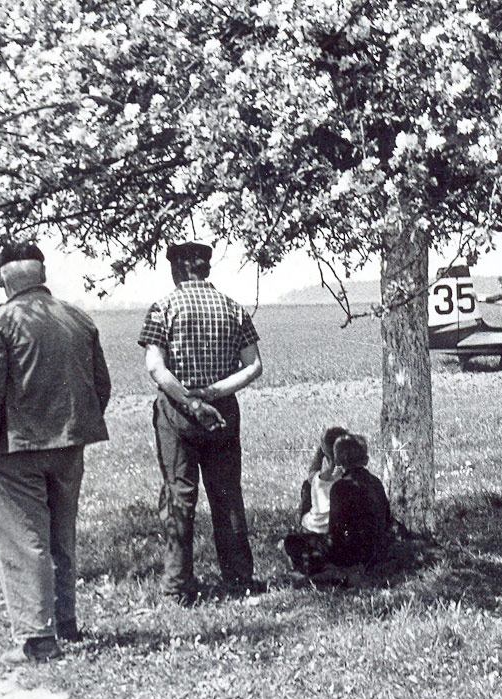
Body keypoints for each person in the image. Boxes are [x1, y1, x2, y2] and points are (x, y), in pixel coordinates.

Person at [0, 243, 111, 664]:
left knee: (23, 541)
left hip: (16, 449)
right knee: (60, 536)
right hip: (69, 446)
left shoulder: (0, 321)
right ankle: (65, 622)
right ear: (42, 274)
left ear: (2, 279)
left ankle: (37, 638)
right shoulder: (78, 318)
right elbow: (100, 386)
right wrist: (76, 426)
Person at [137, 242, 264, 605]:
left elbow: (155, 367)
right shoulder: (232, 308)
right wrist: (212, 392)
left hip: (178, 410)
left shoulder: (163, 308)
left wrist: (190, 399)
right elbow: (254, 366)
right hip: (222, 410)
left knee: (179, 496)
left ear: (177, 268)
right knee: (227, 496)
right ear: (207, 268)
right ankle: (239, 580)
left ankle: (178, 586)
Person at [283, 434, 390, 576]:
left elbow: (336, 531)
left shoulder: (341, 487)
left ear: (339, 460)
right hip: (376, 548)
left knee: (291, 541)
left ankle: (323, 569)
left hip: (350, 553)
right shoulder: (375, 482)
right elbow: (387, 516)